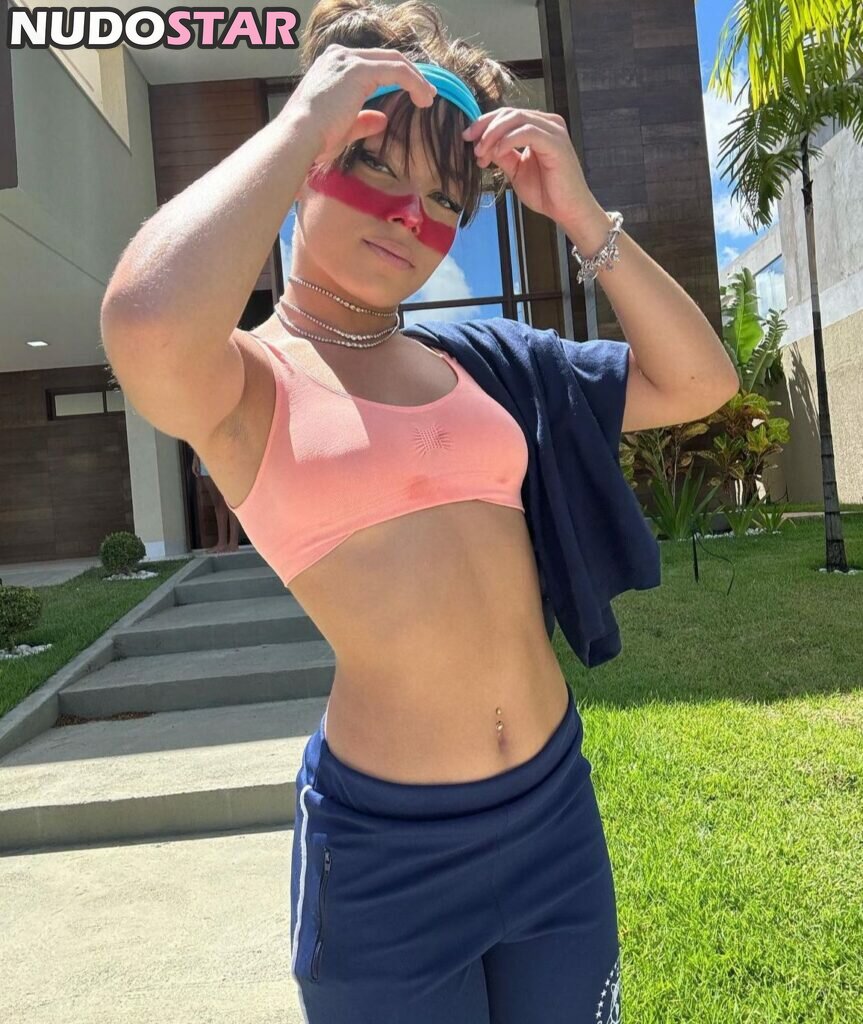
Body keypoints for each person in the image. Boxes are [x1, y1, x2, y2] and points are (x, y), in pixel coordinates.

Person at [100, 1, 738, 1019]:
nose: (409, 217)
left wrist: (582, 216)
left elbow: (700, 380)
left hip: (552, 809)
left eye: (442, 198)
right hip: (387, 856)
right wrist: (301, 122)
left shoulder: (485, 363)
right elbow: (143, 318)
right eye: (373, 168)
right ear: (308, 163)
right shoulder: (248, 382)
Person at [191, 449, 241, 553]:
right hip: (205, 454)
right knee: (217, 501)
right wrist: (195, 457)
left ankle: (233, 543)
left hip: (225, 451)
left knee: (230, 497)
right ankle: (222, 543)